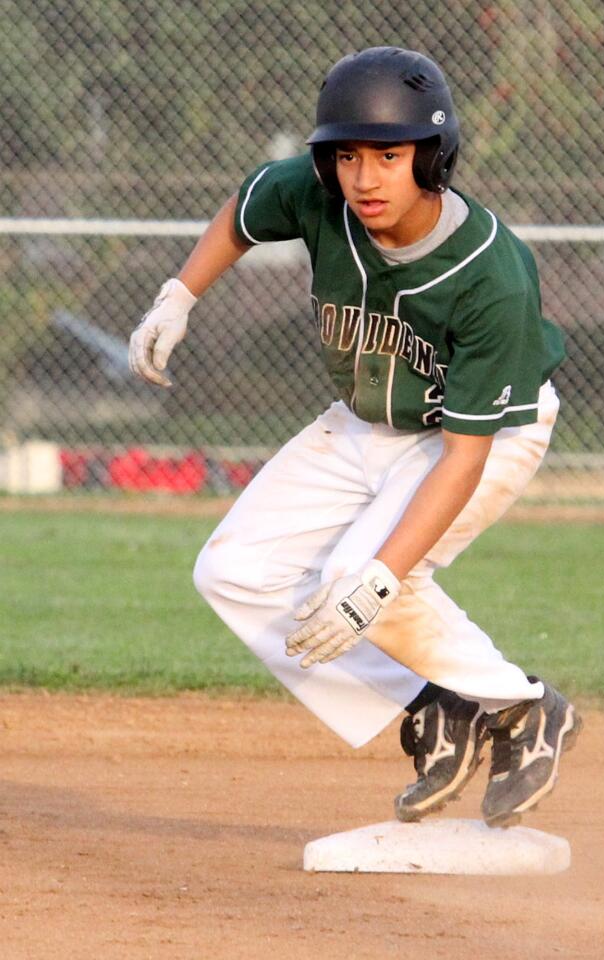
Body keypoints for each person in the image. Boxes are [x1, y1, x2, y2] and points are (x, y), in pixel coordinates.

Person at [129, 46, 581, 828]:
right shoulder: (315, 194)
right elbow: (243, 213)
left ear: (432, 158)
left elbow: (466, 454)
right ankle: (435, 705)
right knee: (233, 570)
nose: (365, 178)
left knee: (368, 580)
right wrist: (179, 295)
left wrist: (377, 581)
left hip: (484, 430)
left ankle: (525, 707)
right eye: (348, 156)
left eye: (390, 155)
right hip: (368, 418)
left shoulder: (490, 275)